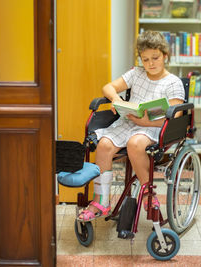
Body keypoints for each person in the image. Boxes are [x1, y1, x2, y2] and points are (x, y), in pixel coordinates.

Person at [78, 30, 185, 221]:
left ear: (165, 56)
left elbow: (175, 114)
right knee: (103, 145)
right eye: (145, 59)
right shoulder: (136, 73)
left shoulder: (173, 83)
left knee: (135, 144)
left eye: (155, 58)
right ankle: (101, 201)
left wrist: (145, 121)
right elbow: (108, 87)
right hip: (128, 122)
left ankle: (147, 193)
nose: (150, 64)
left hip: (155, 127)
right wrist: (116, 99)